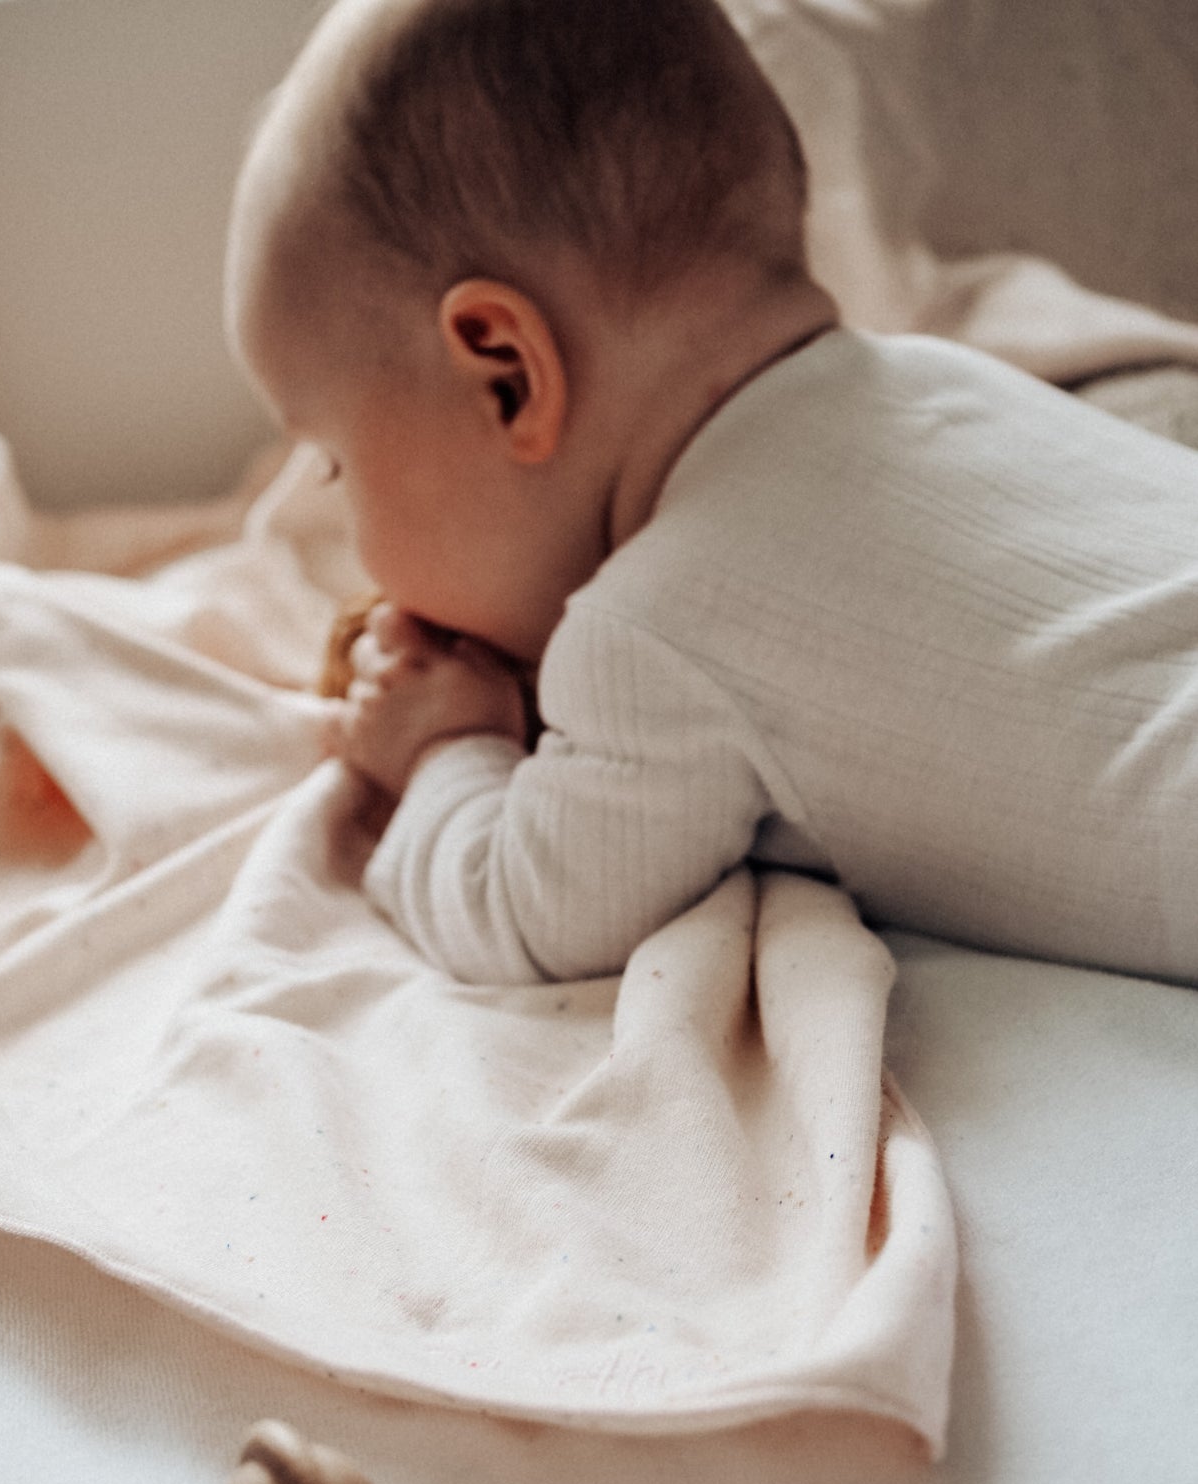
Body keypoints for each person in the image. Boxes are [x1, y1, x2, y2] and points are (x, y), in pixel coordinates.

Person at [225, 0, 1198, 986]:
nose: (341, 529)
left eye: (334, 463)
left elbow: (520, 912)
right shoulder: (952, 381)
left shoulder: (649, 637)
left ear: (504, 376)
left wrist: (446, 750)